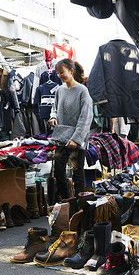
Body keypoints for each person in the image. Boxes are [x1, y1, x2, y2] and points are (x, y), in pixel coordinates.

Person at [48, 58, 93, 199]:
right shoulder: (59, 90)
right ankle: (67, 200)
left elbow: (86, 117)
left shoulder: (82, 91)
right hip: (61, 136)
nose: (59, 75)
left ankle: (80, 205)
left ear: (71, 71)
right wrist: (53, 117)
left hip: (76, 138)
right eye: (57, 73)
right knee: (58, 172)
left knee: (77, 173)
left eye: (62, 72)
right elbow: (54, 108)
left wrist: (76, 139)